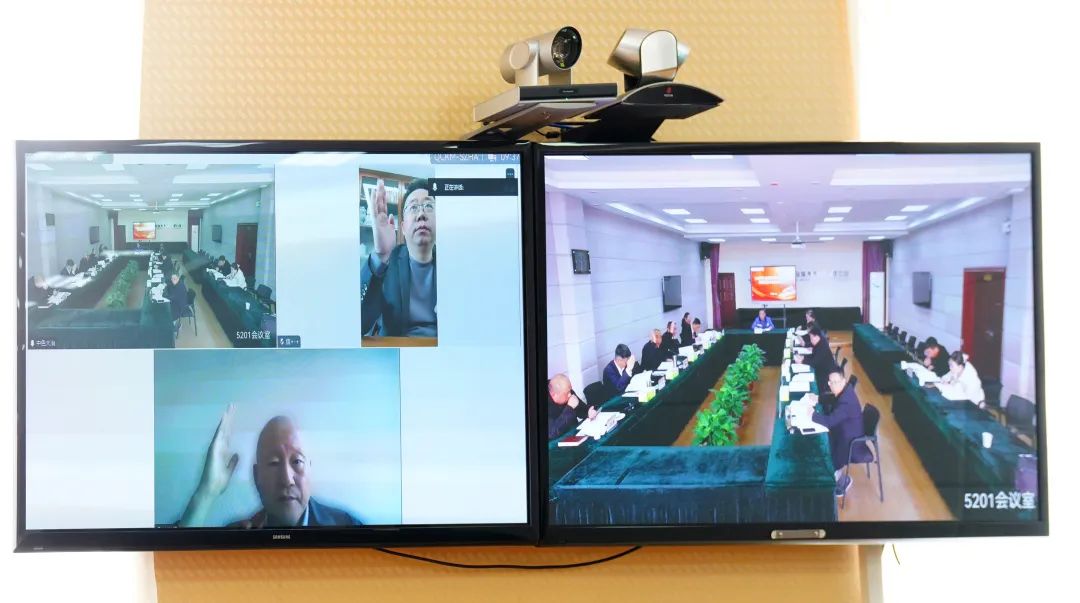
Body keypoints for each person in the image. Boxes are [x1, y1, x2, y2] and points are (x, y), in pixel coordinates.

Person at [176, 405, 361, 527]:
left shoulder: (348, 527)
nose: (286, 479)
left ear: (309, 470)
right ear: (257, 478)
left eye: (297, 461)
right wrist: (207, 491)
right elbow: (180, 562)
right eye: (273, 463)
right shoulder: (238, 538)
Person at [361, 178, 437, 338]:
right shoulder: (390, 261)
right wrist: (381, 257)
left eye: (429, 206)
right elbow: (358, 323)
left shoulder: (453, 262)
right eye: (413, 207)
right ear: (402, 227)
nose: (421, 214)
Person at [810, 370, 867, 496]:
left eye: (835, 382)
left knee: (826, 451)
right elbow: (833, 398)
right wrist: (818, 398)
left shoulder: (846, 401)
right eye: (830, 382)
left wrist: (812, 415)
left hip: (850, 441)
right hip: (844, 431)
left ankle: (841, 482)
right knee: (822, 442)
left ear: (843, 381)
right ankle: (836, 476)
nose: (832, 385)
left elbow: (830, 422)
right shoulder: (845, 391)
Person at [547, 373, 597, 439]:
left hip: (575, 435)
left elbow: (582, 409)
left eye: (570, 390)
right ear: (554, 395)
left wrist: (589, 412)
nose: (570, 394)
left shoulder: (567, 391)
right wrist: (570, 408)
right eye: (567, 393)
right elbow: (552, 432)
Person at [165, 272, 188, 336]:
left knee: (168, 312)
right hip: (175, 302)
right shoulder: (176, 283)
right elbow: (170, 285)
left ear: (178, 278)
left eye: (174, 279)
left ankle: (174, 329)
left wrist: (163, 296)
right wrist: (165, 285)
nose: (173, 280)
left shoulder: (180, 287)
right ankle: (173, 324)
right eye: (172, 279)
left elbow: (173, 297)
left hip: (179, 306)